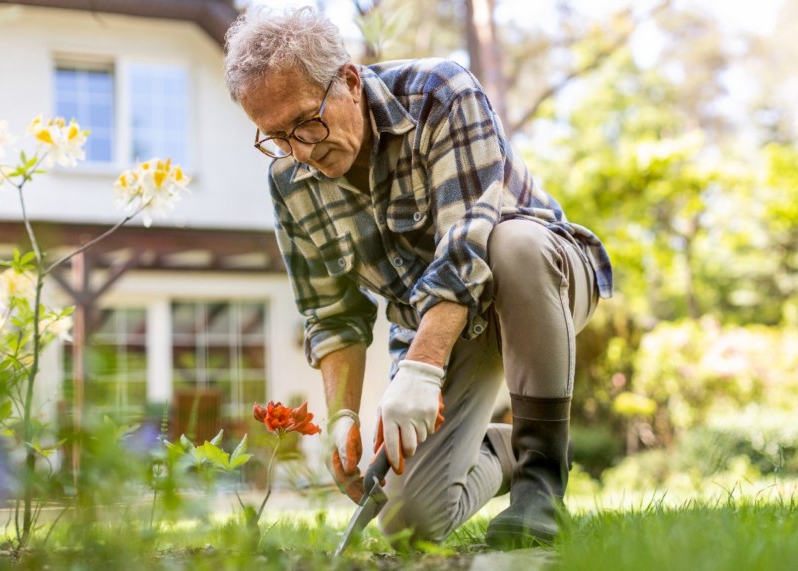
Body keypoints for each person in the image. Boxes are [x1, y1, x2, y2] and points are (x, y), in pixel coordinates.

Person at [223, 6, 612, 549]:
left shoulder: (439, 92)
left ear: (350, 82)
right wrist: (342, 419)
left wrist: (422, 368)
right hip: (441, 330)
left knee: (512, 243)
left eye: (308, 123)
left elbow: (467, 242)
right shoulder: (290, 182)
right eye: (277, 136)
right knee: (411, 522)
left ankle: (540, 483)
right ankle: (513, 446)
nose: (302, 151)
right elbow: (332, 315)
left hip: (538, 284)